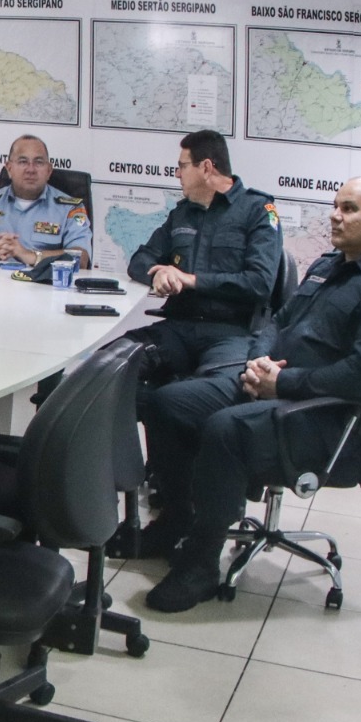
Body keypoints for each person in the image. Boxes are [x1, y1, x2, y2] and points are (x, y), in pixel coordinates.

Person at [140, 178, 361, 613]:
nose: (335, 215)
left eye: (349, 209)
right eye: (334, 206)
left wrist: (281, 384)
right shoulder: (327, 266)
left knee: (222, 428)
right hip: (267, 385)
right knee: (167, 402)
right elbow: (276, 321)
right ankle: (178, 517)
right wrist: (257, 363)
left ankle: (200, 565)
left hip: (316, 417)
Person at [115, 129, 282, 556]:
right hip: (178, 329)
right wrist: (157, 272)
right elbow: (139, 258)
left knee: (185, 401)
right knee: (106, 371)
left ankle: (183, 510)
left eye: (182, 165)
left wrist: (191, 278)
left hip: (230, 335)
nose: (177, 173)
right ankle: (146, 495)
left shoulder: (258, 211)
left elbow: (260, 283)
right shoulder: (183, 214)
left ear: (206, 168)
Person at [0, 135, 90, 268]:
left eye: (38, 162)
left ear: (49, 170)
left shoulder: (70, 208)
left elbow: (81, 258)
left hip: (43, 291)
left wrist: (31, 256)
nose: (30, 169)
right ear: (9, 168)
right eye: (23, 161)